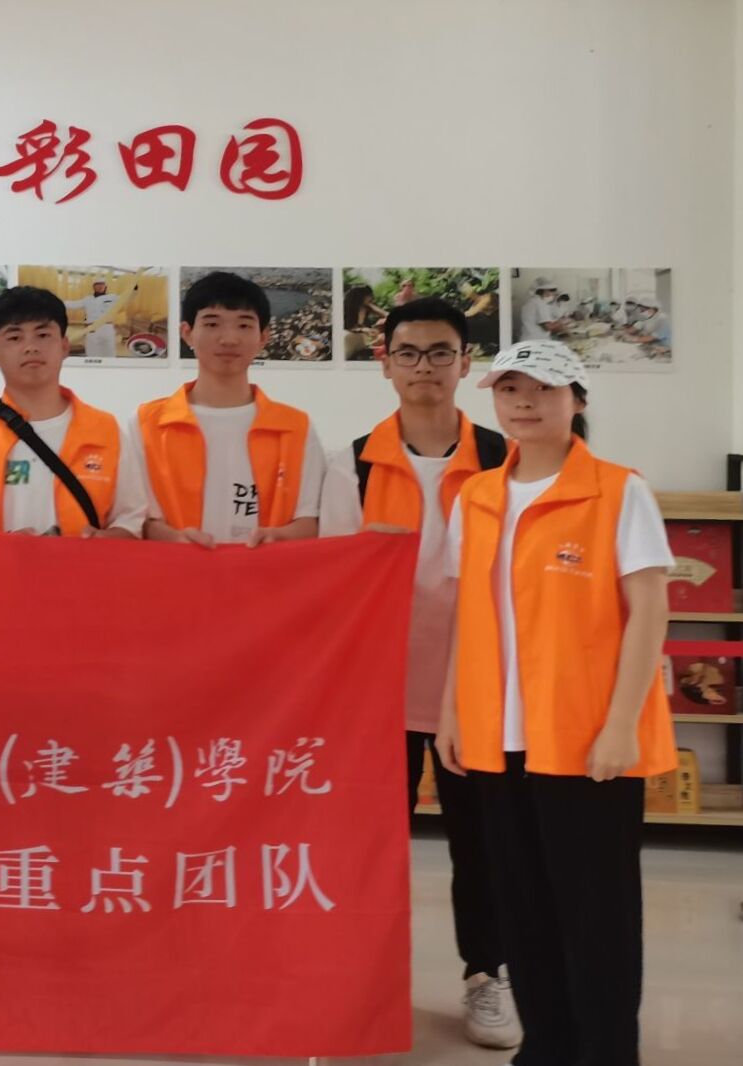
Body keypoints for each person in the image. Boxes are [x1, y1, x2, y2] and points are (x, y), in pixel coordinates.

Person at [438, 340, 675, 1066]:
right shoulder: (477, 496)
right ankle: (544, 1050)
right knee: (523, 908)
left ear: (576, 400)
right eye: (509, 389)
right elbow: (466, 617)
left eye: (543, 388)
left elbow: (649, 610)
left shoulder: (617, 490)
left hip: (583, 738)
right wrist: (451, 713)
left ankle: (604, 1053)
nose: (524, 402)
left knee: (596, 915)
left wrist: (619, 725)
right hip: (496, 738)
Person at [320, 298, 520, 1048]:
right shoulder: (348, 462)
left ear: (465, 363)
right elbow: (330, 582)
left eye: (440, 353)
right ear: (384, 363)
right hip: (380, 690)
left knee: (483, 846)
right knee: (371, 847)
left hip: (478, 688)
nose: (423, 367)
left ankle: (486, 974)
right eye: (407, 353)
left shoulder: (506, 458)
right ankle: (363, 982)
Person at [0, 285, 146, 537]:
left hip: (84, 564)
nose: (31, 347)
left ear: (64, 346)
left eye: (43, 334)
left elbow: (132, 519)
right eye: (15, 338)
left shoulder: (106, 430)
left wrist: (105, 541)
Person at [139, 271, 323, 547]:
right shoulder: (147, 423)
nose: (229, 339)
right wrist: (174, 539)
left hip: (266, 571)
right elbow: (135, 518)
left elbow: (311, 519)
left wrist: (279, 536)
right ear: (187, 333)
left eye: (244, 325)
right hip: (176, 570)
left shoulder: (297, 427)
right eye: (212, 324)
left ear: (263, 337)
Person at [65, 277, 125, 360]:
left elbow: (127, 297)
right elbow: (73, 304)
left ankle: (110, 367)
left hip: (107, 328)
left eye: (102, 284)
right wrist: (57, 301)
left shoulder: (113, 297)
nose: (100, 286)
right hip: (92, 329)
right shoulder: (87, 299)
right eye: (97, 284)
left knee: (109, 353)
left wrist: (134, 288)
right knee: (92, 354)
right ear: (93, 287)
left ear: (105, 286)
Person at [517, 277, 568, 341]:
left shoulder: (531, 302)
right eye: (551, 291)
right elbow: (547, 327)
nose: (553, 294)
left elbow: (542, 322)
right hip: (536, 340)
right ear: (544, 291)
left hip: (528, 338)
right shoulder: (540, 304)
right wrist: (561, 321)